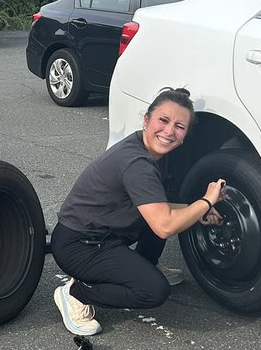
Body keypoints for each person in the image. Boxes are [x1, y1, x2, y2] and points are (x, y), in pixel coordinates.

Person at [49, 87, 226, 337]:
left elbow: (158, 208)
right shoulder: (136, 163)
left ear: (185, 135)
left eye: (179, 126)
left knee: (169, 203)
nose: (168, 131)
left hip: (106, 234)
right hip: (80, 247)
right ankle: (77, 294)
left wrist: (197, 210)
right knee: (154, 290)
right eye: (163, 120)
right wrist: (206, 202)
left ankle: (145, 265)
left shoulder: (150, 150)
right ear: (146, 119)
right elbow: (164, 225)